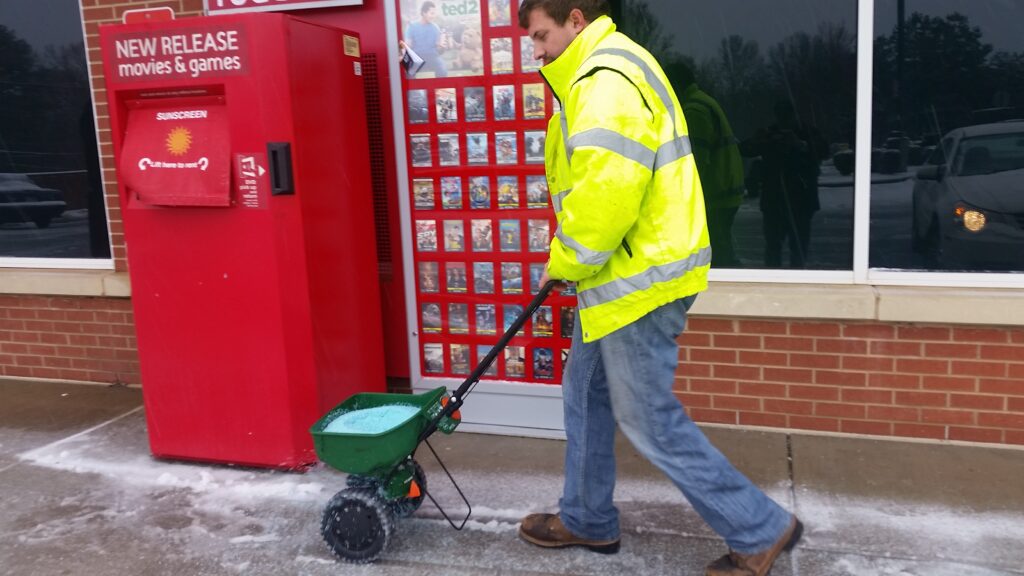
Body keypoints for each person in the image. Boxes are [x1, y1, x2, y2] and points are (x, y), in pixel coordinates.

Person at [518, 2, 802, 575]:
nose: (536, 50)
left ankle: (758, 527)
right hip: (619, 277)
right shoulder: (608, 68)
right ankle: (586, 517)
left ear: (575, 19)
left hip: (636, 281)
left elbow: (606, 194)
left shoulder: (604, 78)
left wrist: (565, 261)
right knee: (585, 397)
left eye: (541, 35)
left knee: (648, 418)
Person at [664, 61, 745, 267]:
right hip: (724, 191)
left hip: (715, 195)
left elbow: (696, 161)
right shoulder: (703, 102)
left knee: (718, 254)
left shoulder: (694, 110)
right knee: (721, 247)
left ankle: (728, 289)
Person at [740, 100, 826, 268]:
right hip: (777, 199)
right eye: (781, 117)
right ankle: (774, 276)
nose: (784, 122)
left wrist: (801, 145)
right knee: (774, 247)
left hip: (799, 200)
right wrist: (759, 140)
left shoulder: (807, 132)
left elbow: (823, 150)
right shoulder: (770, 134)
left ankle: (795, 276)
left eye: (786, 117)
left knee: (797, 248)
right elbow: (745, 150)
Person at [404, 1, 449, 77]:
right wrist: (407, 46)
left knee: (442, 69)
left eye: (434, 13)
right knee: (409, 70)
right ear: (424, 13)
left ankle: (439, 88)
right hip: (417, 56)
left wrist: (442, 46)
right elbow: (408, 45)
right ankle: (413, 88)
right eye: (432, 13)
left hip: (432, 56)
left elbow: (438, 46)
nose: (434, 16)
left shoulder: (435, 27)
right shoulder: (411, 26)